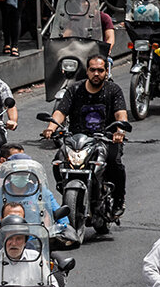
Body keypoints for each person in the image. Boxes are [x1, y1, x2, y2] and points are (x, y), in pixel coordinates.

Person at [42, 54, 128, 215]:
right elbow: (61, 111)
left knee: (114, 163)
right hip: (77, 140)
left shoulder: (113, 90)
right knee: (58, 161)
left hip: (105, 139)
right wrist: (50, 128)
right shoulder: (74, 89)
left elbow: (120, 114)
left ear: (106, 71)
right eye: (93, 70)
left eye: (100, 70)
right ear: (87, 71)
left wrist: (119, 132)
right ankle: (66, 188)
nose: (96, 74)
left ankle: (118, 200)